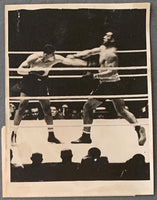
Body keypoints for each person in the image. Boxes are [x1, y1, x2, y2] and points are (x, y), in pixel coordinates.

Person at [69, 32, 146, 146]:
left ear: (113, 39)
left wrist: (95, 76)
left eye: (108, 36)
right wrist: (75, 55)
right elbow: (90, 52)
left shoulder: (112, 54)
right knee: (121, 110)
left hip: (109, 84)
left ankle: (86, 136)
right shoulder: (103, 48)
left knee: (88, 106)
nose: (104, 36)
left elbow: (112, 71)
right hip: (112, 83)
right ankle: (139, 129)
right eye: (105, 35)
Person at [11, 44, 88, 145]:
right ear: (44, 54)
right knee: (22, 106)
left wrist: (86, 64)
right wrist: (33, 72)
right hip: (29, 81)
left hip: (42, 83)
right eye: (50, 55)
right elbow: (19, 70)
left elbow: (70, 62)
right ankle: (14, 133)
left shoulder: (56, 58)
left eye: (53, 54)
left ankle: (51, 136)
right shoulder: (34, 58)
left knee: (47, 108)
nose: (53, 57)